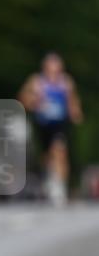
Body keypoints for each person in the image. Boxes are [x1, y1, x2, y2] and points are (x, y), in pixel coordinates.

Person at [18, 52, 83, 206]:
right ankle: (49, 179)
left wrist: (75, 111)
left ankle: (60, 187)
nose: (53, 71)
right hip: (42, 124)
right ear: (45, 68)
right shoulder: (36, 82)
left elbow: (72, 100)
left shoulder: (66, 82)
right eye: (50, 68)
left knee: (60, 150)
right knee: (47, 156)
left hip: (60, 124)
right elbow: (23, 98)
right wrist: (35, 102)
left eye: (57, 68)